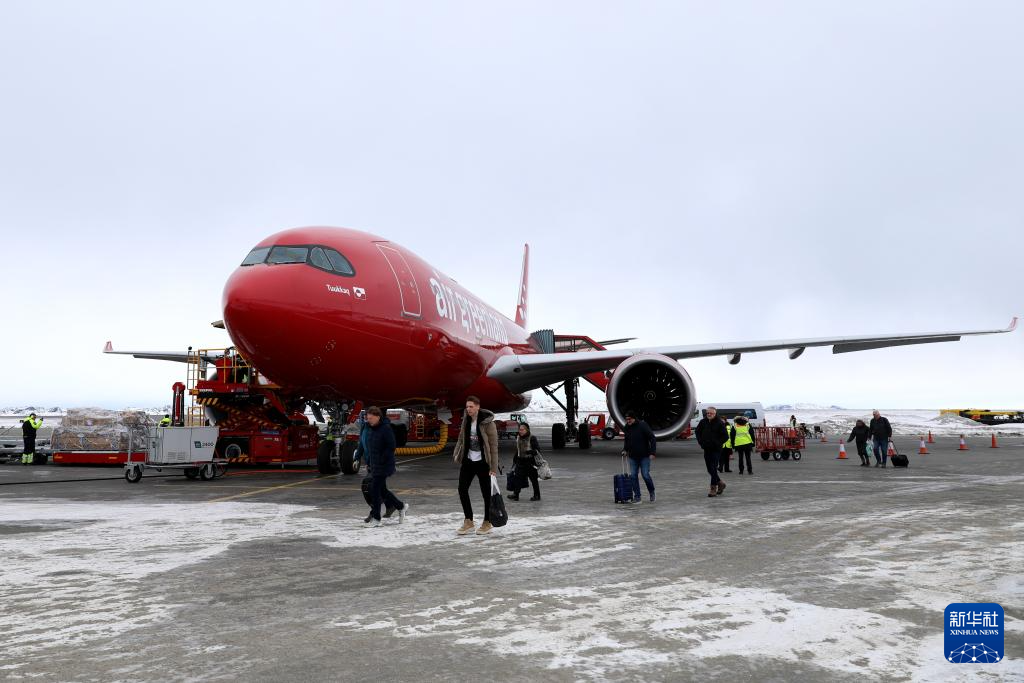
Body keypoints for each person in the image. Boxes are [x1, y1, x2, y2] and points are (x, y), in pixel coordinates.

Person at [453, 396, 500, 535]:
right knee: (462, 489)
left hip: (483, 462)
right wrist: (457, 453)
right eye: (467, 407)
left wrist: (493, 467)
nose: (468, 409)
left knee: (486, 494)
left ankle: (487, 521)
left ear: (478, 407)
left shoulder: (487, 423)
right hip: (468, 460)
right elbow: (461, 438)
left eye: (471, 406)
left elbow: (493, 446)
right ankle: (468, 520)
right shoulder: (466, 420)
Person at [362, 406, 407, 528]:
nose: (369, 420)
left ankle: (376, 518)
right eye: (368, 418)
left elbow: (391, 446)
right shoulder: (370, 428)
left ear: (378, 417)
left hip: (384, 464)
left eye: (371, 418)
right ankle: (401, 506)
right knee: (382, 490)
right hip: (374, 464)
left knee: (374, 490)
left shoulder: (386, 428)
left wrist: (381, 460)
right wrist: (368, 461)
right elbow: (370, 447)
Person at [622, 411, 656, 503]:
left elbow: (652, 438)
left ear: (634, 418)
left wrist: (652, 452)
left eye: (629, 419)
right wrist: (625, 449)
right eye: (627, 419)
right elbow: (627, 440)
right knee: (633, 476)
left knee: (645, 475)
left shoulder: (642, 425)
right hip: (632, 456)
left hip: (644, 456)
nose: (628, 421)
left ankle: (652, 492)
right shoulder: (627, 427)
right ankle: (637, 497)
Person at [695, 407, 728, 497]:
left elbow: (725, 436)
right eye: (708, 413)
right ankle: (721, 483)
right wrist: (701, 442)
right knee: (709, 469)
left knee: (713, 467)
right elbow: (697, 432)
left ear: (715, 414)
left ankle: (713, 488)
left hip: (716, 450)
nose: (709, 414)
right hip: (706, 448)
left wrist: (717, 443)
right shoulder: (703, 422)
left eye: (711, 413)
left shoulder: (719, 423)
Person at [508, 423, 541, 501]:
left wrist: (529, 452)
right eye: (519, 429)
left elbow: (537, 450)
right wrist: (515, 459)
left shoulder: (532, 438)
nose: (520, 431)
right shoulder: (518, 437)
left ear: (527, 430)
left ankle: (537, 495)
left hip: (530, 462)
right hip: (520, 461)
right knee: (517, 478)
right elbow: (518, 449)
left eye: (522, 430)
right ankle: (516, 494)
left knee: (533, 479)